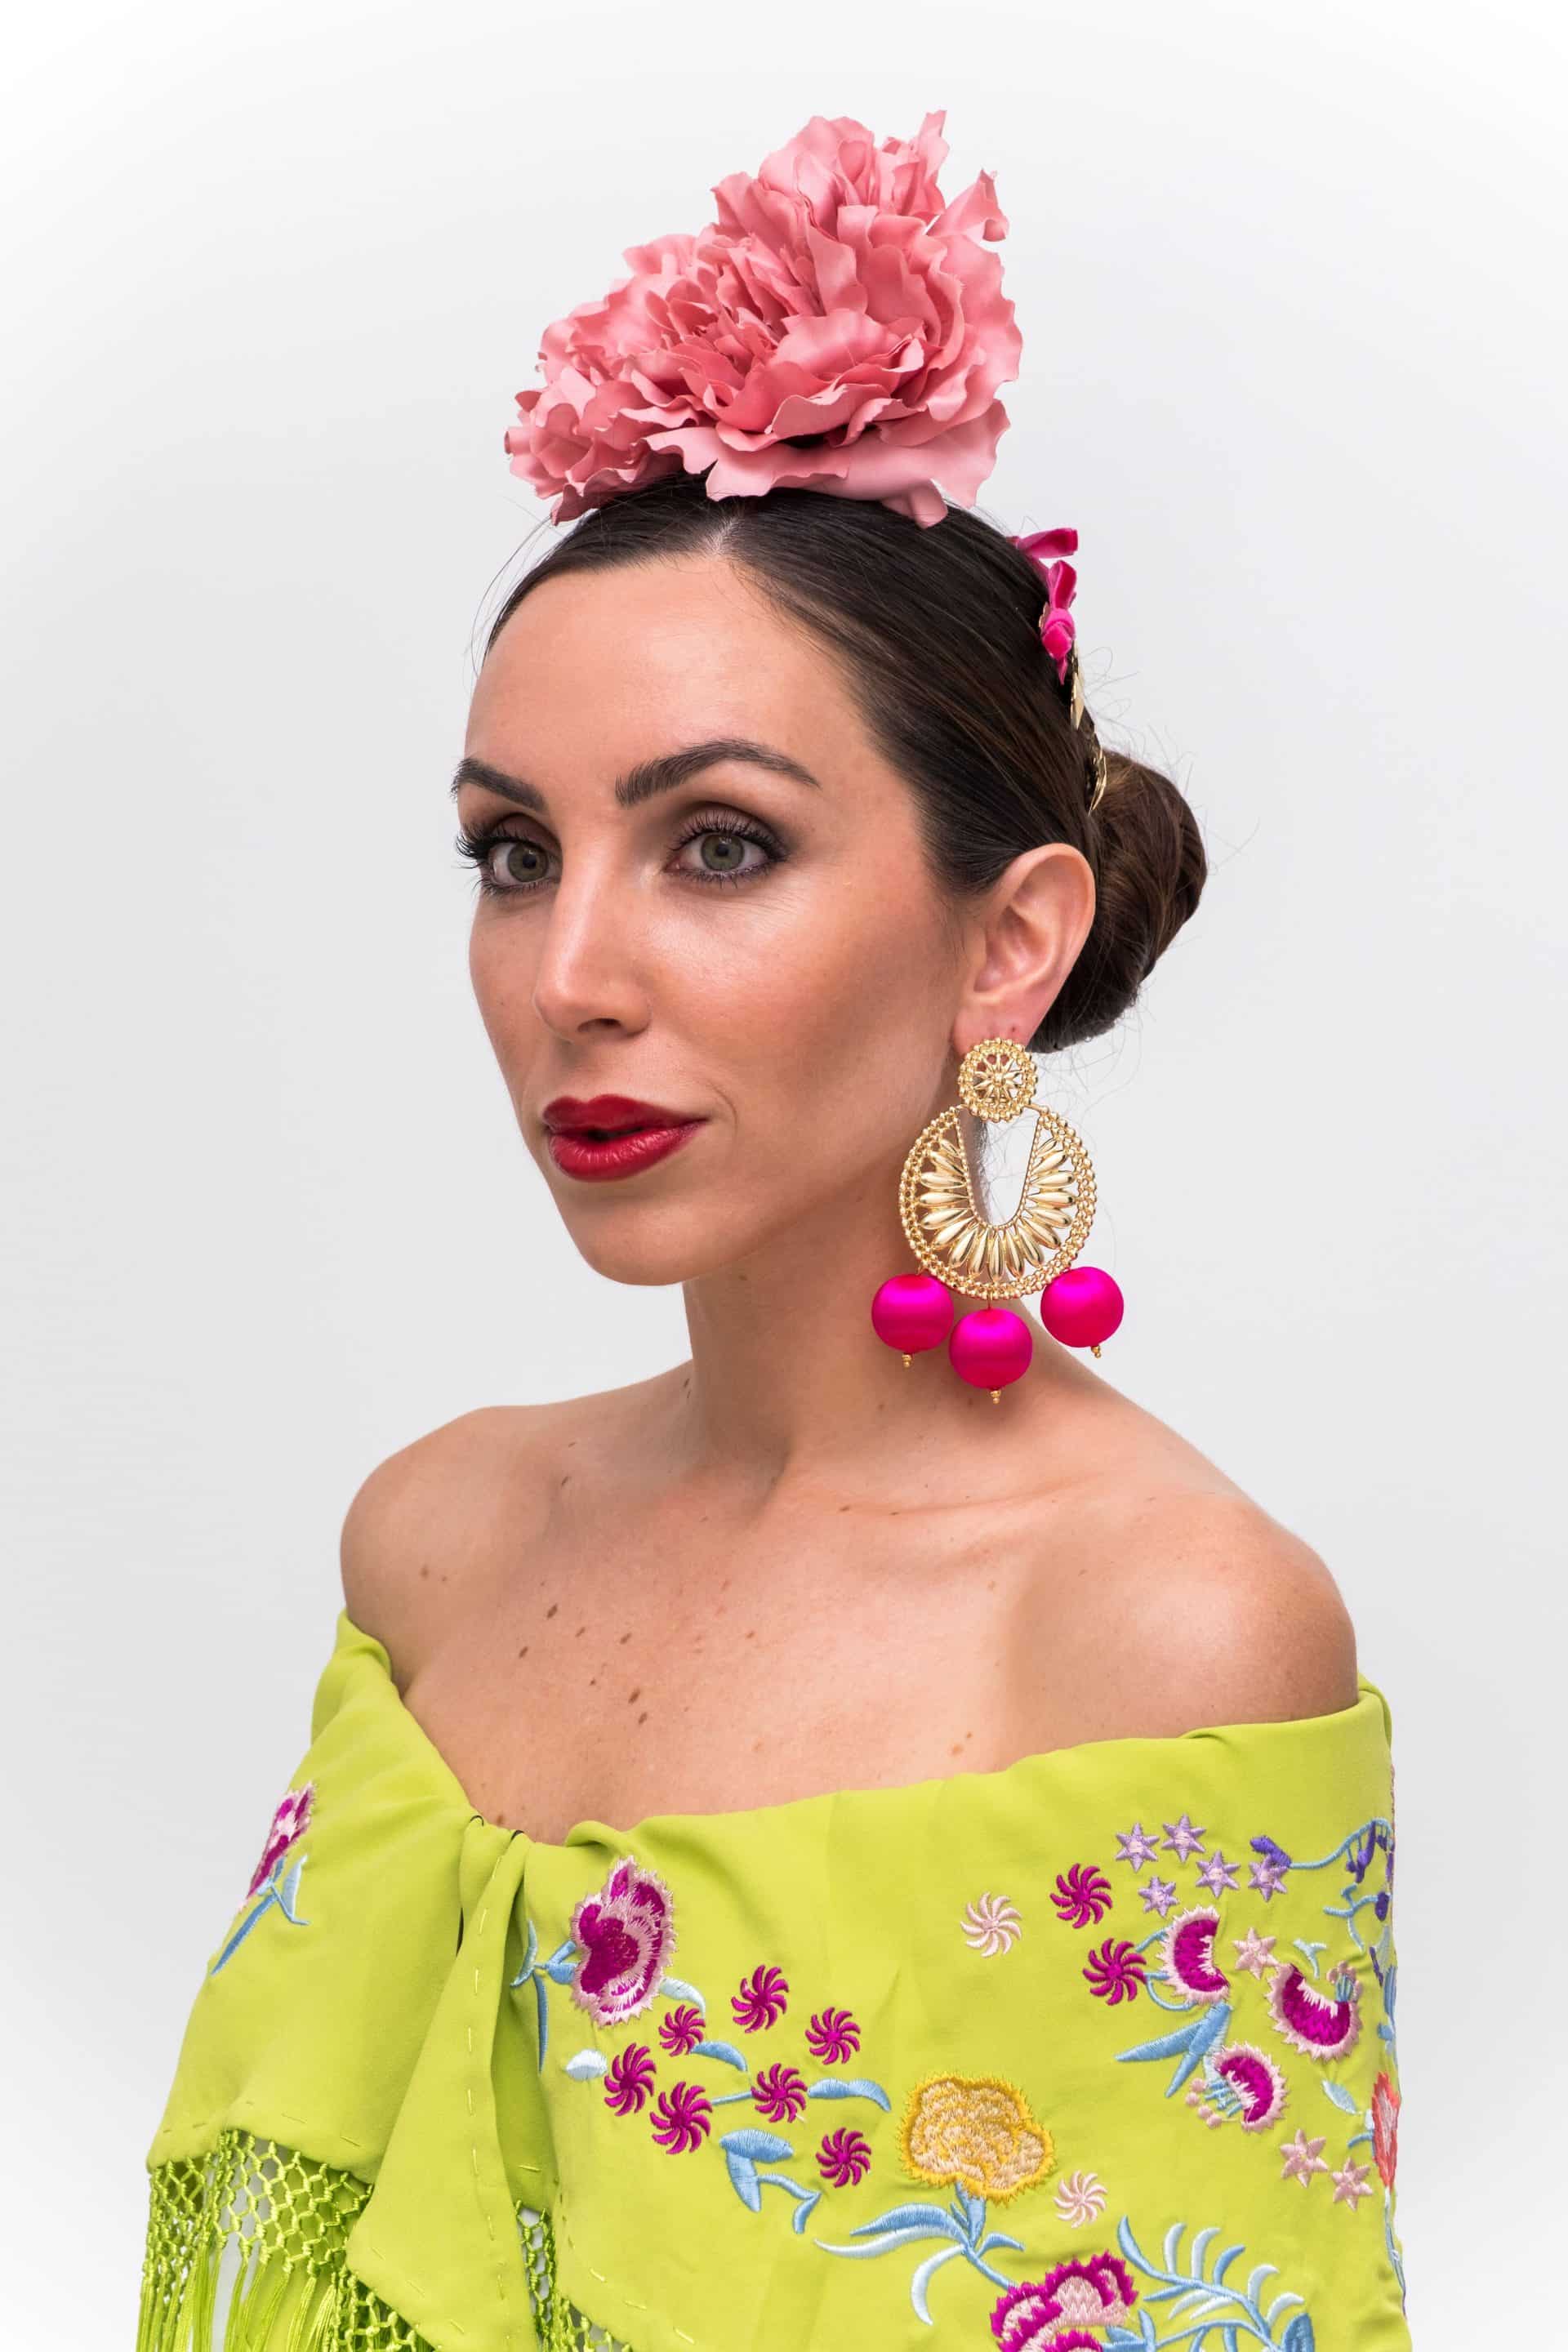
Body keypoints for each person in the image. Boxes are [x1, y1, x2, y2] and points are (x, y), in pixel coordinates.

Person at [138, 110, 1410, 2352]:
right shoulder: (435, 1544)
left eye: (718, 845)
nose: (569, 974)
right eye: (513, 854)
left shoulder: (1163, 1638)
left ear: (1009, 943)